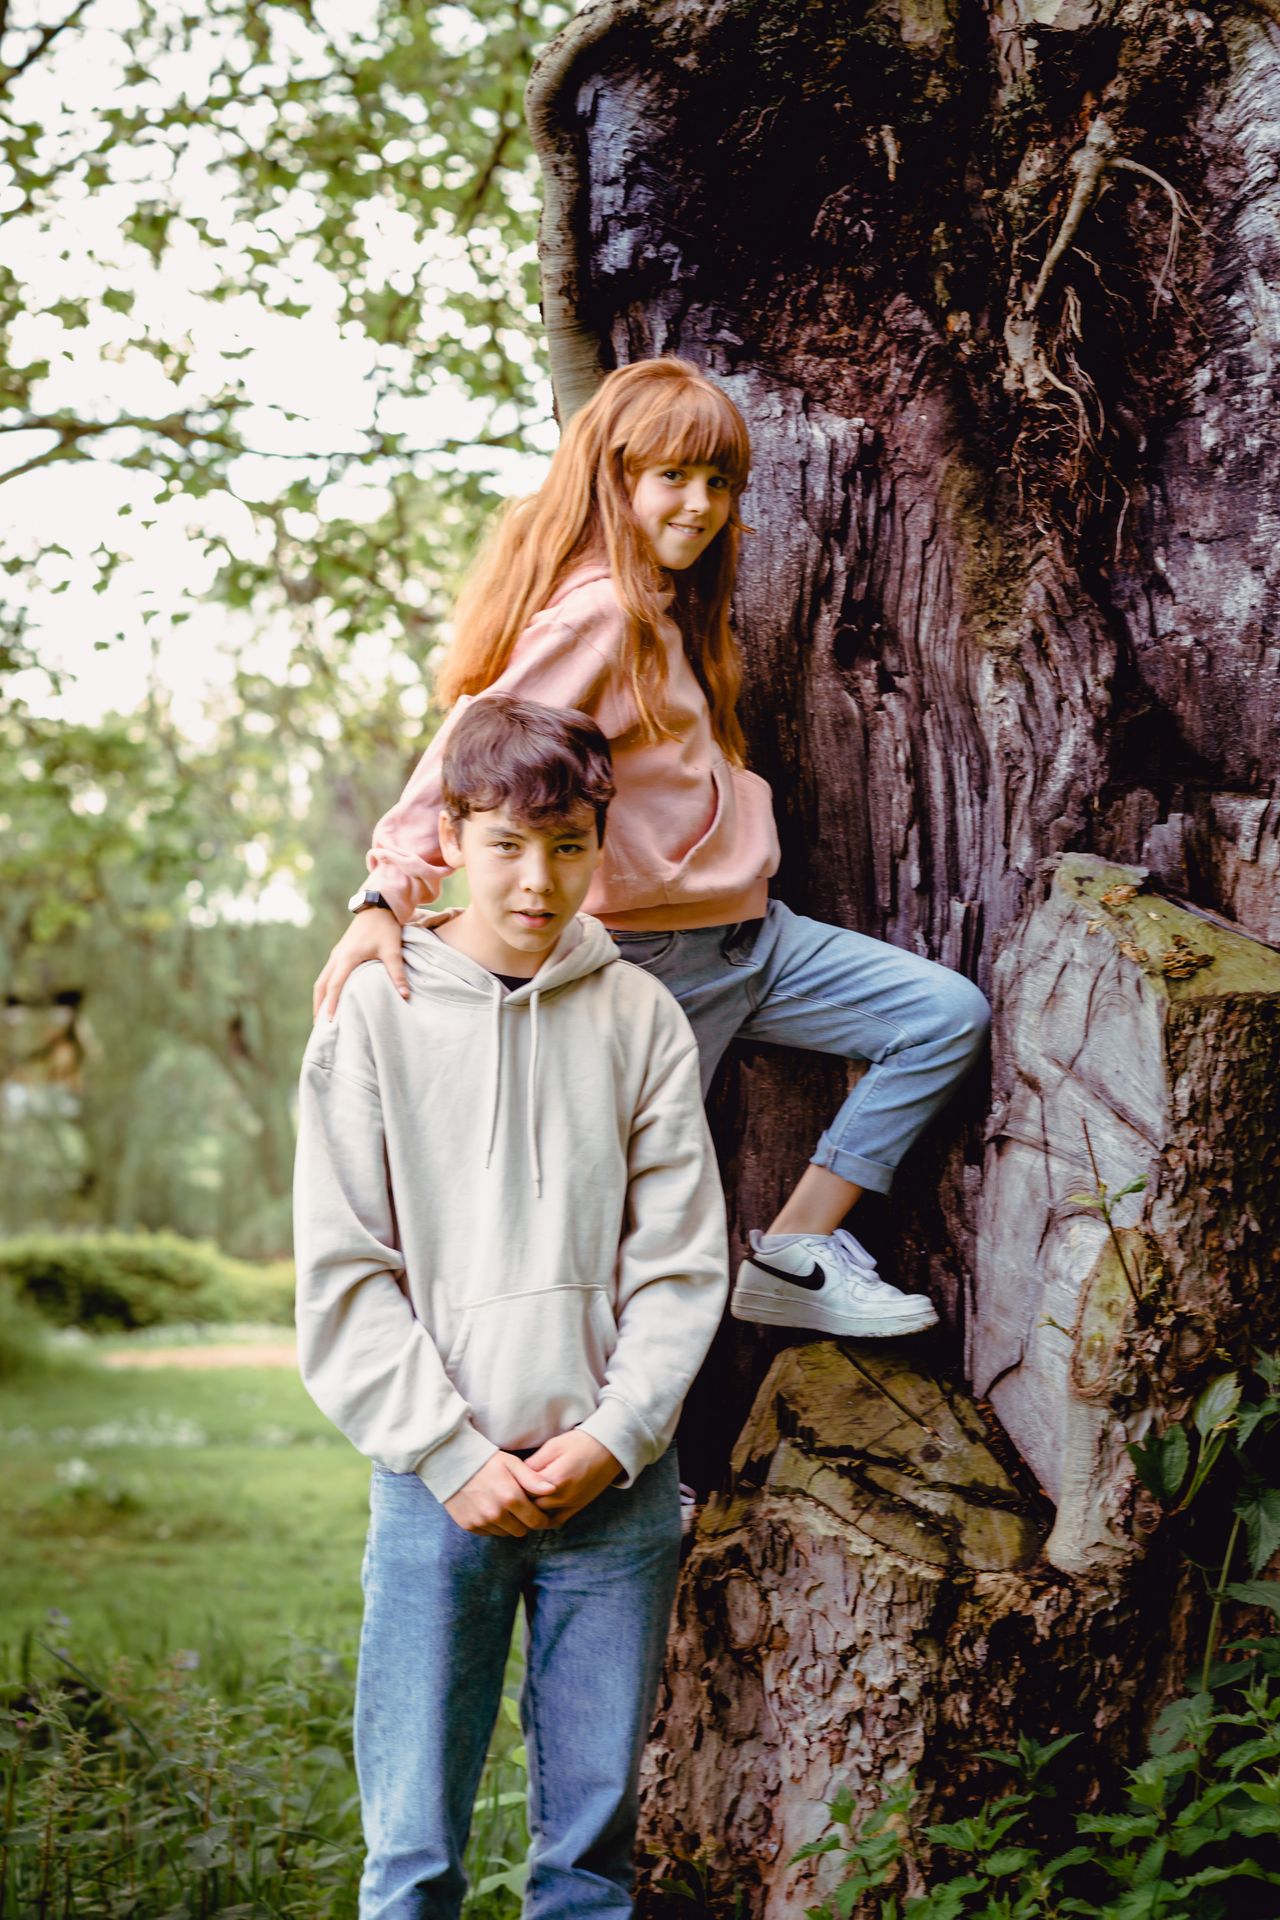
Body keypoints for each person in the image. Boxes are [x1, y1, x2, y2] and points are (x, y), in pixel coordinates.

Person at [314, 355, 990, 1339]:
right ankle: (614, 1473)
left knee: (939, 1016)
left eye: (718, 481)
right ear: (613, 480)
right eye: (671, 476)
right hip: (657, 965)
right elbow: (473, 751)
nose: (701, 503)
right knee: (628, 1226)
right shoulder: (597, 615)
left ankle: (796, 1251)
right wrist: (386, 894)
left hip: (756, 943)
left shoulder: (666, 613)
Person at [294, 695, 728, 1920]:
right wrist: (445, 1449)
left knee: (589, 1870)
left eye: (569, 846)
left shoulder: (640, 1017)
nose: (538, 880)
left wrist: (615, 1434)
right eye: (506, 845)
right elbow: (342, 1267)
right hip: (438, 1490)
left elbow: (681, 1260)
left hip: (614, 1491)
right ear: (451, 838)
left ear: (600, 846)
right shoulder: (374, 1013)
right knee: (411, 1862)